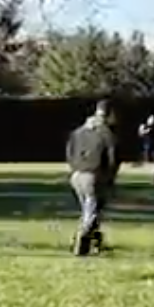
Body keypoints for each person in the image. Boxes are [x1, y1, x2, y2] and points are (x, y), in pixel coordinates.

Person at [63, 100, 119, 256]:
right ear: (109, 114)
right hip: (94, 175)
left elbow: (70, 151)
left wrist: (75, 167)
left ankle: (94, 243)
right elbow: (112, 157)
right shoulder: (106, 133)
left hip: (77, 175)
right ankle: (81, 241)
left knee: (88, 210)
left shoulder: (79, 131)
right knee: (92, 213)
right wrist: (110, 178)